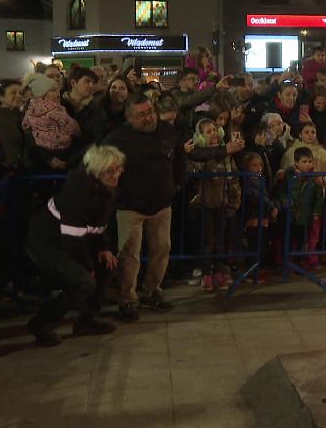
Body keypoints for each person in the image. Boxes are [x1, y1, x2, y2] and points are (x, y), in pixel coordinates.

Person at [25, 145, 124, 346]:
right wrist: (88, 267)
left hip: (72, 239)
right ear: (96, 170)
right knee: (83, 281)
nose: (116, 174)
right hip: (47, 242)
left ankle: (86, 321)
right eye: (110, 171)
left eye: (118, 169)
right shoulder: (78, 191)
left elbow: (99, 223)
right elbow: (73, 238)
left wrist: (104, 248)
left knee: (107, 265)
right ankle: (41, 324)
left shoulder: (104, 187)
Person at [104, 93, 185, 321]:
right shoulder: (117, 139)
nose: (149, 118)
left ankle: (153, 290)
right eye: (142, 115)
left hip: (161, 203)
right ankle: (127, 298)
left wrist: (177, 183)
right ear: (129, 117)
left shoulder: (167, 132)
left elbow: (179, 159)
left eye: (150, 112)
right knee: (130, 255)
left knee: (162, 248)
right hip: (130, 205)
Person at [188, 118, 242, 291]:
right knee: (207, 241)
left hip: (221, 203)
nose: (213, 134)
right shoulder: (197, 156)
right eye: (208, 131)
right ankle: (205, 273)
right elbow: (192, 175)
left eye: (215, 130)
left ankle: (219, 270)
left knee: (220, 240)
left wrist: (234, 202)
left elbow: (233, 179)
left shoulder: (227, 155)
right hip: (204, 205)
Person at [22, 73, 81, 171]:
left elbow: (25, 125)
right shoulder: (55, 109)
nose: (58, 92)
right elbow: (71, 126)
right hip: (61, 149)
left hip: (40, 153)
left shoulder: (30, 109)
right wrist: (78, 131)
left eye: (57, 89)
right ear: (43, 94)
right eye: (53, 90)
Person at [285, 146, 325, 270]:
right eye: (304, 162)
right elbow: (284, 187)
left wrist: (317, 212)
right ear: (296, 163)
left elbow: (319, 198)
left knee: (303, 240)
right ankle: (289, 261)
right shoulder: (291, 175)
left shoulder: (315, 179)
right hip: (292, 215)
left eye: (310, 161)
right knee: (292, 238)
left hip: (306, 215)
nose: (308, 165)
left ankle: (299, 261)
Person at [62, 65, 108, 146]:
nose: (91, 85)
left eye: (93, 83)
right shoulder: (59, 105)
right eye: (87, 81)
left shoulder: (95, 109)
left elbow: (96, 139)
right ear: (73, 83)